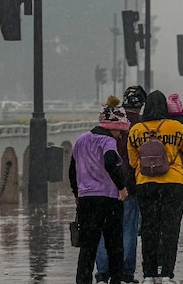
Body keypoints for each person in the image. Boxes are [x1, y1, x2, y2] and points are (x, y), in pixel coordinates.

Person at [127, 90, 183, 284]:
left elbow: (133, 161)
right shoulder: (175, 126)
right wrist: (175, 163)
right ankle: (166, 273)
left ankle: (149, 274)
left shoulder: (137, 130)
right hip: (173, 183)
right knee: (171, 229)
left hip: (145, 184)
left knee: (149, 229)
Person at [69, 96, 130, 284]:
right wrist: (122, 187)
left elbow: (72, 170)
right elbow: (111, 162)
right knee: (114, 245)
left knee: (88, 246)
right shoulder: (107, 141)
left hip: (87, 199)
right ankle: (116, 280)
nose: (121, 135)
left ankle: (82, 280)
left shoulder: (80, 140)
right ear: (114, 127)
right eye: (120, 131)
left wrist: (77, 194)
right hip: (109, 199)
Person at [94, 85, 145, 284]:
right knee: (129, 229)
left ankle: (103, 273)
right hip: (131, 184)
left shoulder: (110, 123)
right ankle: (125, 274)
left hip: (104, 184)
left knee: (104, 229)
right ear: (142, 105)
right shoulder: (141, 126)